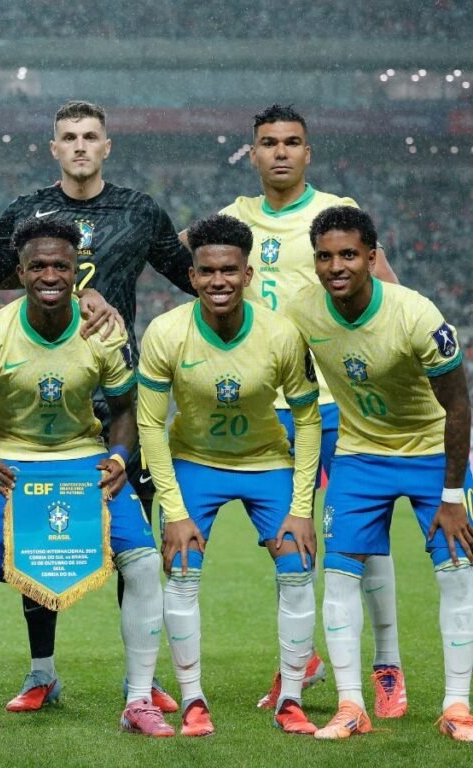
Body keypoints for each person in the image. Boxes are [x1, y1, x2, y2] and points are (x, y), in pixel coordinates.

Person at [0, 99, 191, 713]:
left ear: (106, 146)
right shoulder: (27, 214)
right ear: (54, 148)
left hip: (117, 395)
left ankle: (141, 680)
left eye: (90, 136)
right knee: (35, 537)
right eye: (69, 137)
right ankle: (41, 671)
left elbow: (194, 275)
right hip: (38, 398)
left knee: (131, 544)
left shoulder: (140, 210)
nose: (79, 146)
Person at [208, 104, 405, 714]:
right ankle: (301, 661)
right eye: (269, 143)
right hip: (267, 409)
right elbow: (184, 263)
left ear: (307, 152)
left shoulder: (336, 212)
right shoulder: (233, 218)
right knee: (284, 540)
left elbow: (392, 296)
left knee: (363, 537)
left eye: (292, 142)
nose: (281, 152)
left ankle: (387, 665)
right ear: (253, 154)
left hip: (337, 403)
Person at [284, 206, 473, 741]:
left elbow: (459, 406)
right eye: (325, 256)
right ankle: (351, 706)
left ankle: (457, 707)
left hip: (431, 454)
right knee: (340, 576)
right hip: (360, 456)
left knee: (458, 574)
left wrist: (452, 494)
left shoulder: (415, 314)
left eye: (348, 254)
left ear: (371, 257)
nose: (336, 266)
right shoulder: (303, 313)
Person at [138, 214, 322, 736]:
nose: (218, 281)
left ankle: (291, 698)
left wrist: (301, 507)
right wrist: (174, 510)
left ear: (247, 274)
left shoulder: (281, 334)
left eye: (229, 270)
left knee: (297, 568)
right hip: (195, 462)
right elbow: (151, 425)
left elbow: (308, 419)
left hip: (267, 461)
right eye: (207, 271)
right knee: (181, 571)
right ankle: (193, 700)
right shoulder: (166, 333)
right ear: (192, 276)